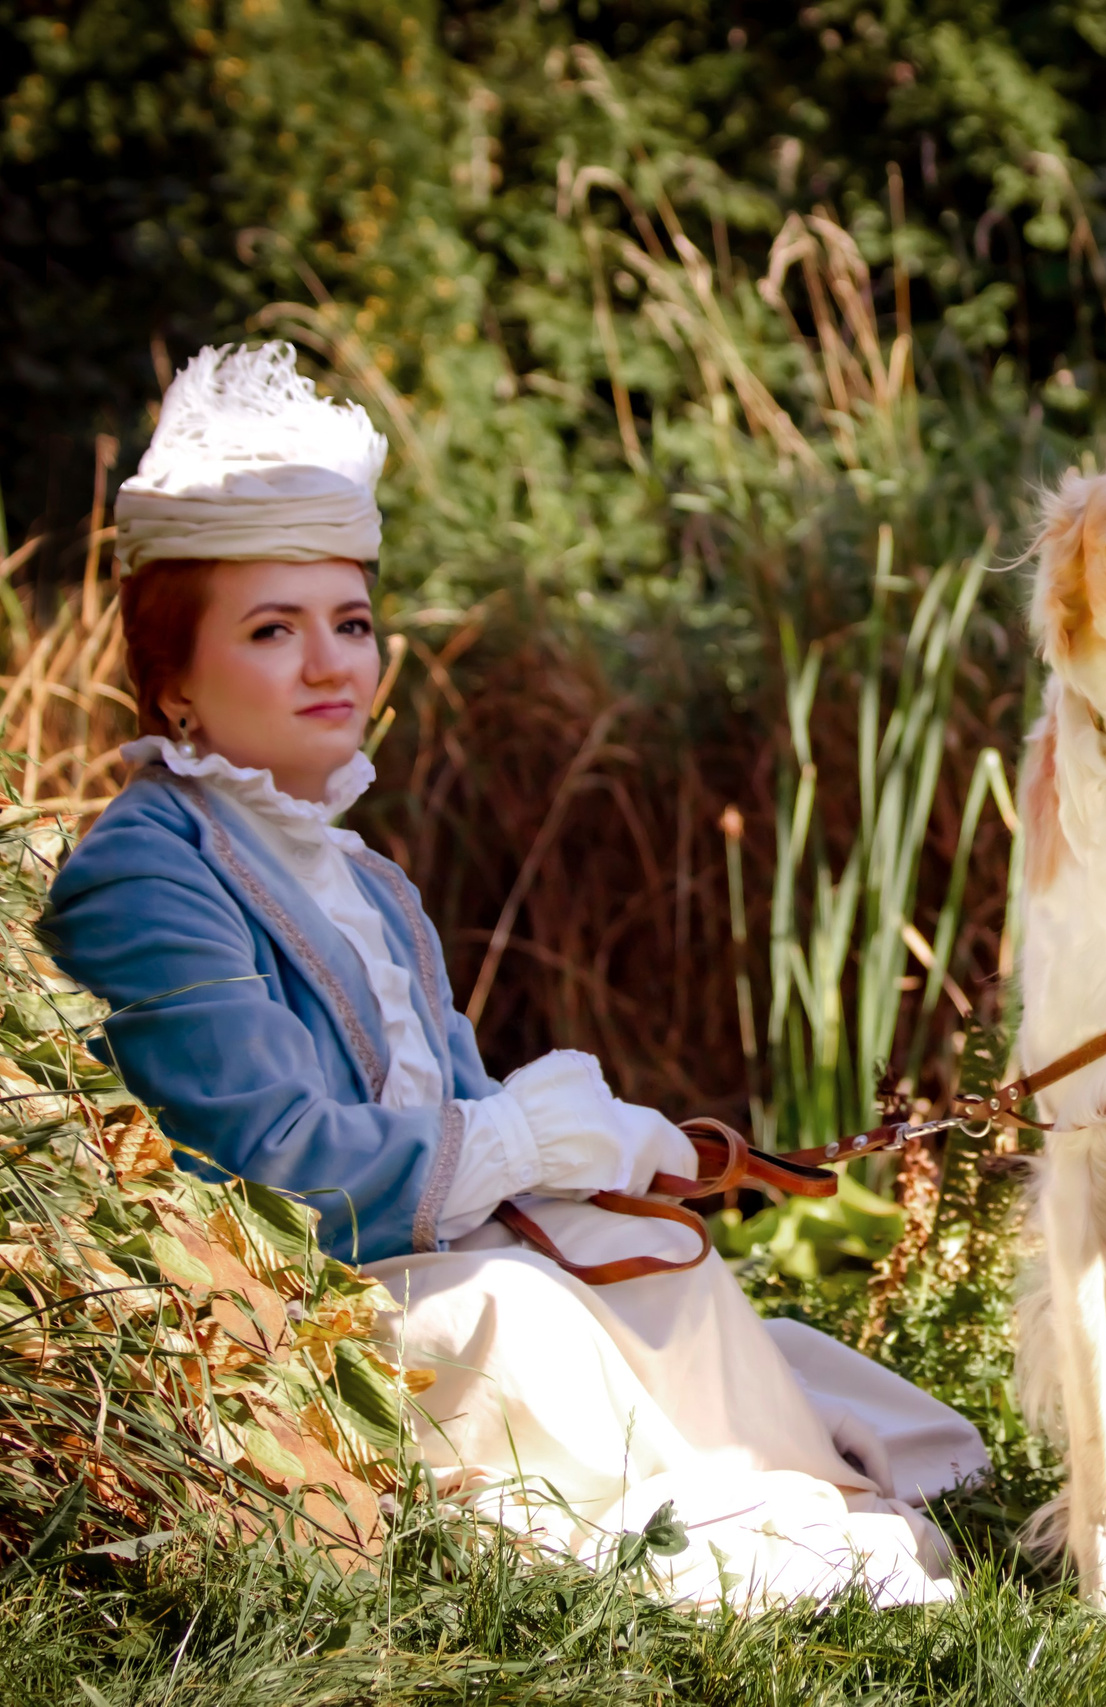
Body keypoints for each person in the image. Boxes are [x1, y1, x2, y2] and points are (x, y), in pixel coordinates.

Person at [43, 343, 986, 1608]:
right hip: (284, 1310)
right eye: (274, 631)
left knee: (652, 1255)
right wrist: (512, 1143)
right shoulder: (147, 871)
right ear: (175, 681)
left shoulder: (367, 880)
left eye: (352, 624)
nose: (333, 665)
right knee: (518, 1307)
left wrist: (591, 1151)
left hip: (415, 1248)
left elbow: (461, 1106)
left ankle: (800, 1488)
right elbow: (261, 1167)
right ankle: (707, 1536)